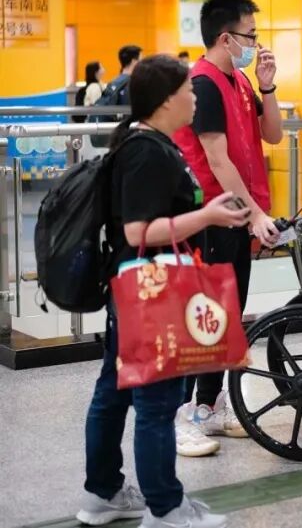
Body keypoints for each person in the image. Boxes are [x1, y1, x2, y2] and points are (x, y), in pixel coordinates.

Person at [77, 55, 248, 528]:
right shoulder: (147, 151)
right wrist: (207, 216)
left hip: (134, 289)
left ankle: (104, 494)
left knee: (114, 392)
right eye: (188, 91)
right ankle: (166, 508)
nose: (195, 98)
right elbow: (138, 231)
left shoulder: (145, 143)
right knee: (156, 402)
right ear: (167, 100)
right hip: (151, 290)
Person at [172, 0, 284, 456]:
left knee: (228, 314)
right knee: (203, 314)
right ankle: (180, 416)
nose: (255, 44)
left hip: (237, 215)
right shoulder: (202, 83)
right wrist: (255, 213)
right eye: (250, 35)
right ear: (226, 38)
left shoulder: (237, 81)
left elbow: (273, 134)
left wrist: (267, 87)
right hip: (211, 217)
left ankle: (210, 405)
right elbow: (216, 159)